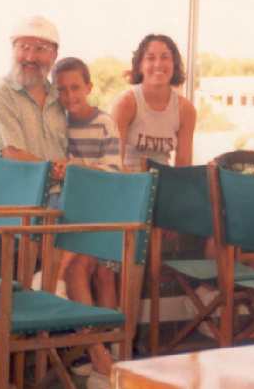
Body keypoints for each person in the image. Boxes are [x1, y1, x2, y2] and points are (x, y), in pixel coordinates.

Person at [52, 57, 121, 380]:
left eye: (75, 87)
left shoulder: (105, 122)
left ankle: (108, 351)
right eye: (62, 89)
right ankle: (99, 354)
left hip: (106, 210)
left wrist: (76, 166)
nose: (69, 95)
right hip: (78, 211)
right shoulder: (59, 123)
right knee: (81, 268)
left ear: (89, 87)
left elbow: (113, 171)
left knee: (98, 272)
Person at [0, 14, 67, 194]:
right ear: (12, 50)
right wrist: (66, 171)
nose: (30, 57)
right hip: (11, 211)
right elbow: (12, 156)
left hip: (57, 210)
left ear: (54, 55)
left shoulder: (61, 98)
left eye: (40, 49)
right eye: (24, 47)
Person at [112, 34, 197, 171]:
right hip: (127, 181)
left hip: (164, 183)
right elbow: (114, 164)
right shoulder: (125, 103)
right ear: (140, 66)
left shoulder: (185, 109)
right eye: (150, 58)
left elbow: (183, 167)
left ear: (174, 65)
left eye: (165, 57)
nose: (158, 64)